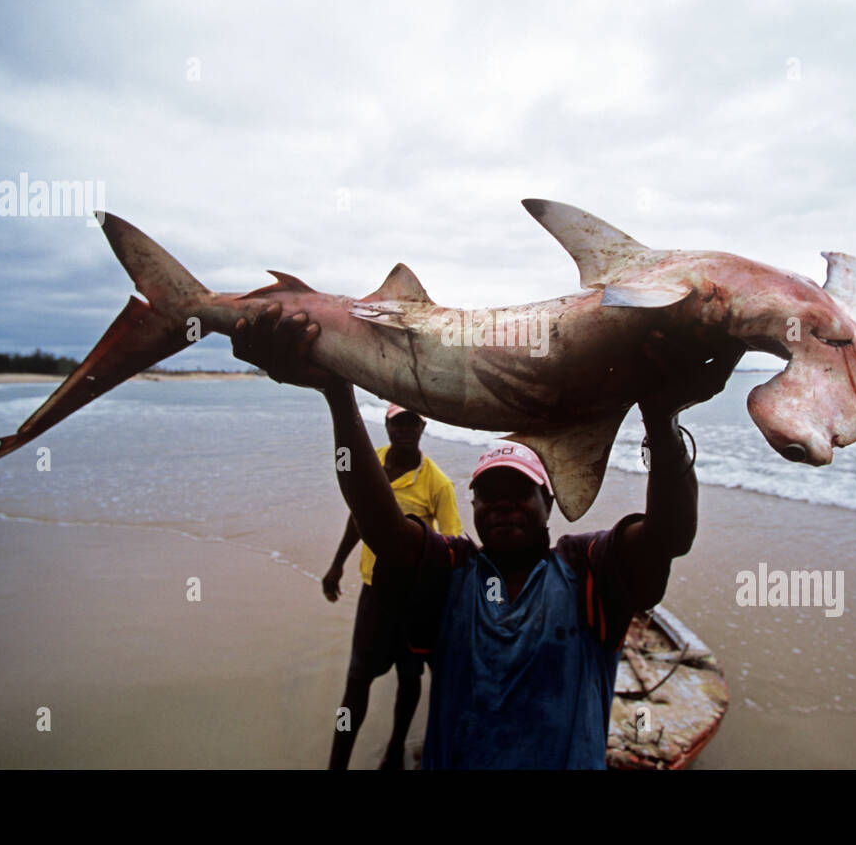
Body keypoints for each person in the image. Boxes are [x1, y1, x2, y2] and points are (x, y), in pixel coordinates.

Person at [231, 306, 744, 769]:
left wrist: (661, 419)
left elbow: (671, 535)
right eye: (489, 493)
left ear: (549, 504)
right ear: (471, 506)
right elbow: (381, 527)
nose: (502, 504)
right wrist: (337, 392)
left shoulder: (589, 570)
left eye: (519, 492)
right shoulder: (450, 574)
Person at [321, 403, 462, 770]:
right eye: (397, 424)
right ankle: (337, 762)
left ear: (422, 427)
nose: (404, 430)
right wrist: (337, 564)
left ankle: (395, 749)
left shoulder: (438, 483)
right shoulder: (374, 464)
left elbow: (452, 544)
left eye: (411, 424)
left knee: (410, 675)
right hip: (374, 591)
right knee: (356, 681)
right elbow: (359, 518)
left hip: (414, 597)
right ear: (386, 427)